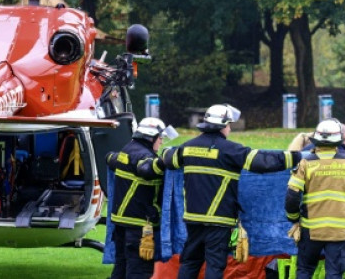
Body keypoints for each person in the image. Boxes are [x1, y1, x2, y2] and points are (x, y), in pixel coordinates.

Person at [162, 104, 301, 279]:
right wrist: (297, 156)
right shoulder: (230, 150)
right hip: (219, 220)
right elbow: (263, 162)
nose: (230, 128)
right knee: (214, 264)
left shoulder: (188, 147)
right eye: (229, 125)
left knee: (190, 261)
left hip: (193, 218)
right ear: (224, 126)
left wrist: (165, 151)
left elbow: (168, 159)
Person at [286, 119, 345, 279]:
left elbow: (292, 196)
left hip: (311, 231)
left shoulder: (305, 163)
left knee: (304, 270)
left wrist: (294, 218)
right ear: (339, 140)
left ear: (316, 139)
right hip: (338, 232)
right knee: (334, 273)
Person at [107, 117, 172, 279]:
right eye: (160, 137)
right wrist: (165, 160)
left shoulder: (126, 150)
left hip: (121, 223)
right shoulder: (143, 155)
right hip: (139, 226)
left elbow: (109, 158)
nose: (161, 141)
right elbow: (146, 169)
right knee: (140, 271)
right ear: (151, 138)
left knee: (121, 267)